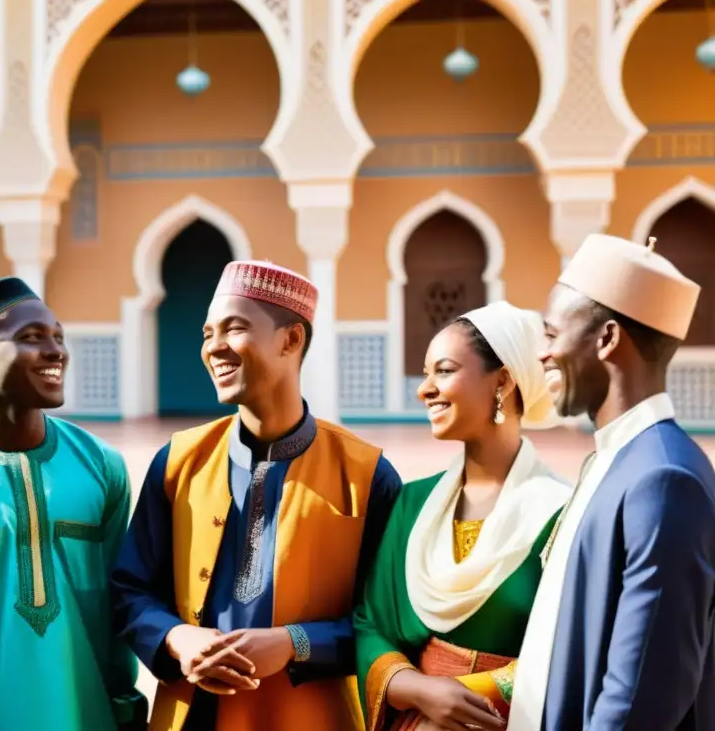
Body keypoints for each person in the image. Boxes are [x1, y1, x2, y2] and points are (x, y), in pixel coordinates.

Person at [112, 260, 403, 730]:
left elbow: (387, 626)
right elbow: (129, 590)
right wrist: (177, 638)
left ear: (291, 340)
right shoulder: (179, 462)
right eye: (208, 333)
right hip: (192, 716)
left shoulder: (366, 476)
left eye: (234, 328)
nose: (214, 348)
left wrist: (294, 643)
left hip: (310, 718)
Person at [0, 277, 146, 731]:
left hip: (89, 715)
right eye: (32, 338)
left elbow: (118, 605)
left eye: (58, 336)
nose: (56, 351)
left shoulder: (101, 466)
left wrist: (126, 705)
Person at [509, 234, 715, 731]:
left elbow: (642, 693)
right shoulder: (616, 459)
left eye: (552, 334)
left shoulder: (662, 479)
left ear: (606, 339)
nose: (541, 354)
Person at [354, 301, 570, 731]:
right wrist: (419, 690)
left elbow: (567, 649)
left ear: (503, 381)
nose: (425, 388)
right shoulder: (412, 503)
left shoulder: (559, 512)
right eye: (426, 372)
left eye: (445, 370)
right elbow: (369, 622)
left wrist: (469, 700)